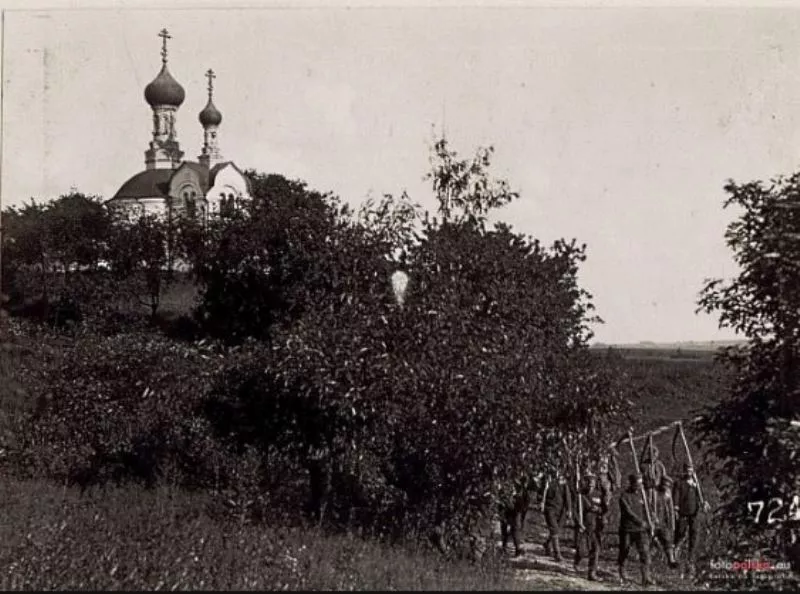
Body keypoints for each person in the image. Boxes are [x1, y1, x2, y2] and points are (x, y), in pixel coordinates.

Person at [618, 473, 654, 586]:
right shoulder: (624, 496)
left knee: (645, 552)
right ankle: (622, 573)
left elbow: (648, 509)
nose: (639, 486)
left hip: (641, 530)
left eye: (641, 484)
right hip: (627, 529)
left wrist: (651, 520)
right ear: (632, 483)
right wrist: (639, 521)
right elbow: (628, 512)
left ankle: (646, 577)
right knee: (625, 550)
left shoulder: (643, 495)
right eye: (637, 484)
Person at [574, 471, 610, 581]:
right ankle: (577, 560)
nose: (591, 483)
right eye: (589, 481)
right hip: (583, 526)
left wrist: (599, 510)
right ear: (585, 482)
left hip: (595, 526)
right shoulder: (580, 495)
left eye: (593, 481)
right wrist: (579, 523)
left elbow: (605, 510)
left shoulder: (599, 495)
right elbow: (575, 511)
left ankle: (592, 573)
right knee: (582, 550)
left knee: (595, 548)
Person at [673, 463, 703, 575]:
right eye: (687, 470)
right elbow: (676, 496)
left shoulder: (696, 484)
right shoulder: (679, 483)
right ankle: (675, 553)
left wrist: (703, 503)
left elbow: (701, 496)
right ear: (684, 471)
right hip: (683, 513)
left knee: (694, 534)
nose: (689, 473)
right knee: (680, 533)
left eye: (691, 470)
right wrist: (676, 508)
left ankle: (690, 559)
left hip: (694, 513)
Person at [542, 469, 572, 562]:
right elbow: (542, 495)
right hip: (549, 509)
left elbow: (567, 497)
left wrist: (569, 510)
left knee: (557, 530)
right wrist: (541, 503)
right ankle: (557, 554)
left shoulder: (564, 484)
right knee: (554, 529)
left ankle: (547, 544)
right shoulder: (547, 482)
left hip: (560, 510)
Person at [652, 475, 678, 568]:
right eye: (665, 485)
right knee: (650, 540)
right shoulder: (654, 492)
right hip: (653, 521)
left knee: (668, 540)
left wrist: (672, 524)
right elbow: (649, 506)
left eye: (668, 486)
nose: (666, 487)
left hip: (663, 521)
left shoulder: (668, 494)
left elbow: (670, 510)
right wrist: (653, 517)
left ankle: (671, 560)